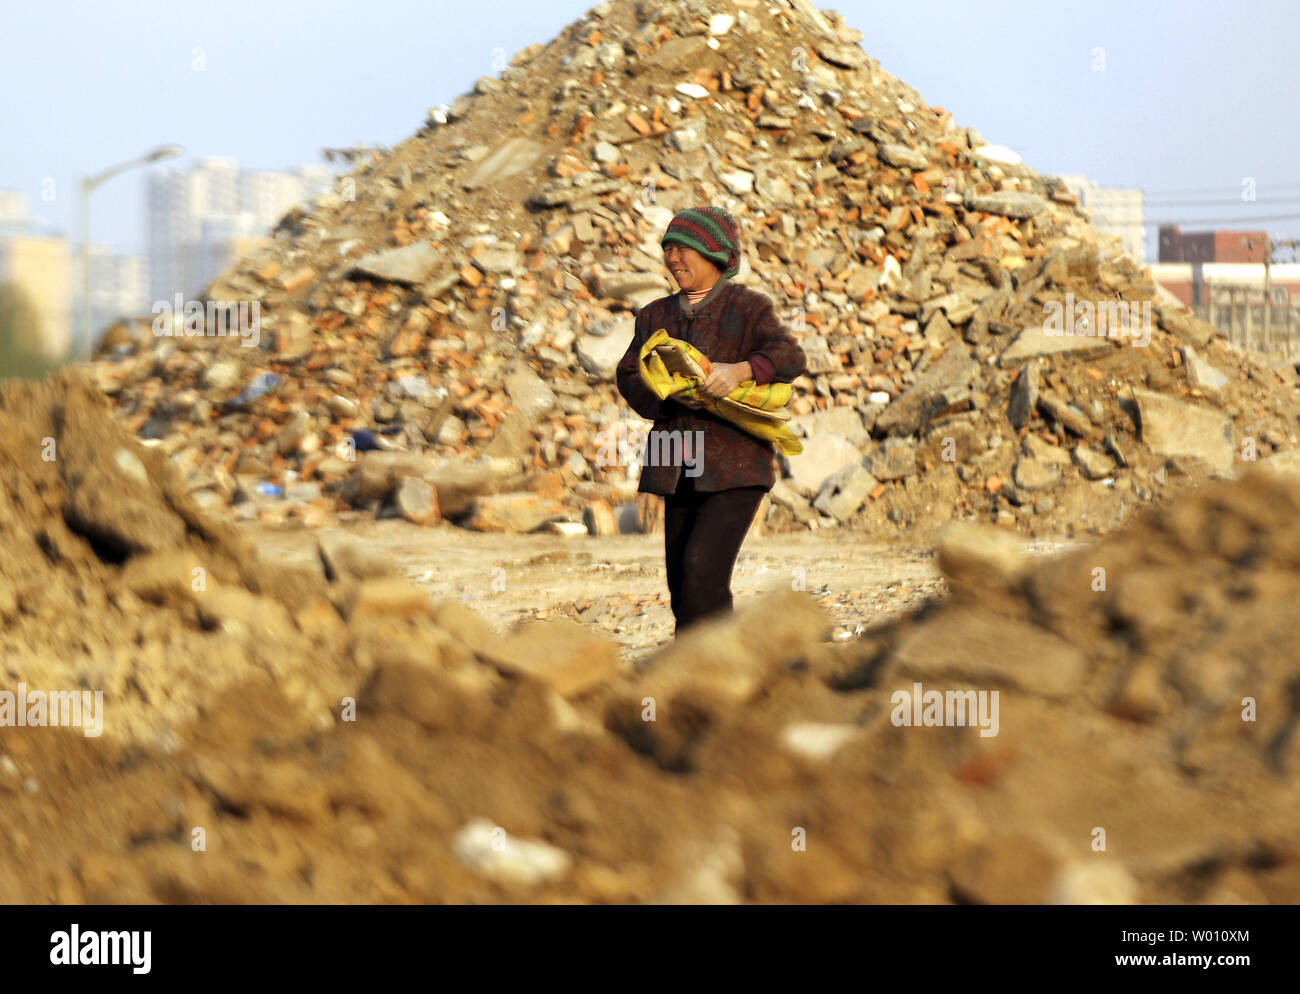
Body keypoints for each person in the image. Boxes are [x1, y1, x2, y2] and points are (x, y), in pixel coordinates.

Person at [616, 206, 807, 635]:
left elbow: (789, 356)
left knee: (703, 572)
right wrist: (666, 390)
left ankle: (709, 677)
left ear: (715, 254)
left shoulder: (748, 308)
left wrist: (740, 370)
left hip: (736, 463)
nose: (673, 258)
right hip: (675, 464)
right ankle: (712, 677)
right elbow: (628, 375)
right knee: (683, 587)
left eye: (684, 248)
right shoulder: (653, 316)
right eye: (667, 248)